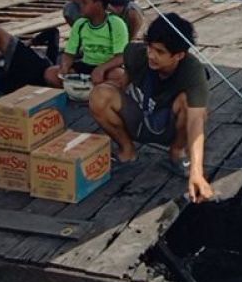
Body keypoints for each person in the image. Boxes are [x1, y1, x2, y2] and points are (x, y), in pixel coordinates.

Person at [89, 14, 214, 203]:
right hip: (140, 117)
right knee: (100, 94)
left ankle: (176, 153)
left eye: (160, 52)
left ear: (179, 55)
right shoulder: (136, 54)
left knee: (193, 105)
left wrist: (197, 173)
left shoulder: (193, 70)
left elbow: (196, 121)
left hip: (172, 125)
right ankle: (127, 150)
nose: (151, 55)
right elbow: (123, 84)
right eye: (150, 47)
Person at [49, 0, 128, 88]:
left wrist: (101, 69)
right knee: (50, 74)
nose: (81, 6)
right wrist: (64, 68)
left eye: (85, 3)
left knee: (120, 76)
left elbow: (121, 56)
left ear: (98, 4)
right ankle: (84, 92)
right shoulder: (80, 24)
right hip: (86, 65)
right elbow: (69, 53)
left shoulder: (116, 23)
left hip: (108, 67)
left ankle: (97, 93)